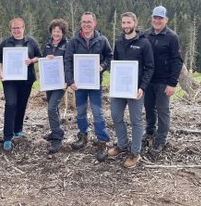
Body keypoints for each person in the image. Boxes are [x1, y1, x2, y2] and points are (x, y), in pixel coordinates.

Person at [64, 11, 112, 162]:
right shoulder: (73, 42)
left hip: (95, 83)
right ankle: (83, 136)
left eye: (89, 22)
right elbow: (68, 61)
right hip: (79, 84)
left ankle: (102, 142)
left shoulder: (102, 40)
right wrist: (71, 80)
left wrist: (103, 66)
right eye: (83, 22)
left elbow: (110, 56)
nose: (86, 24)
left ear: (94, 23)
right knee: (81, 111)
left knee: (98, 112)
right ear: (81, 23)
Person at [108, 12, 154, 168]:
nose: (126, 25)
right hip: (120, 89)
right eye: (123, 23)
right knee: (115, 115)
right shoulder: (119, 42)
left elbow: (149, 67)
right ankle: (122, 145)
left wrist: (142, 87)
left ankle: (135, 152)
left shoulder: (144, 43)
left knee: (135, 120)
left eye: (129, 22)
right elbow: (115, 63)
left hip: (136, 90)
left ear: (135, 22)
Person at [143, 6, 183, 157]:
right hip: (148, 81)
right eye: (155, 17)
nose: (157, 21)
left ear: (166, 20)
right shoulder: (146, 35)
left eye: (160, 18)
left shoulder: (172, 37)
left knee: (163, 110)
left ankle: (160, 140)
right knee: (149, 108)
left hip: (164, 82)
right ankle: (150, 132)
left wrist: (172, 83)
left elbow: (177, 61)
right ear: (152, 18)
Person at [0, 18, 41, 151]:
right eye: (13, 28)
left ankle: (17, 129)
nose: (16, 30)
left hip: (26, 79)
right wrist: (1, 71)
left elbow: (39, 56)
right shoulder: (5, 43)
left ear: (23, 28)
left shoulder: (31, 42)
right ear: (11, 29)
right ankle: (7, 136)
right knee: (11, 104)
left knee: (21, 104)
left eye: (18, 27)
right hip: (9, 80)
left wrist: (31, 60)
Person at [42, 19, 69, 154]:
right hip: (49, 82)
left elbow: (69, 63)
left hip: (60, 82)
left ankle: (57, 138)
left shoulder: (67, 45)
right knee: (54, 108)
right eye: (54, 31)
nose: (56, 34)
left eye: (58, 31)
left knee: (51, 107)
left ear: (63, 32)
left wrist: (67, 81)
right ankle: (56, 130)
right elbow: (42, 61)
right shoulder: (47, 45)